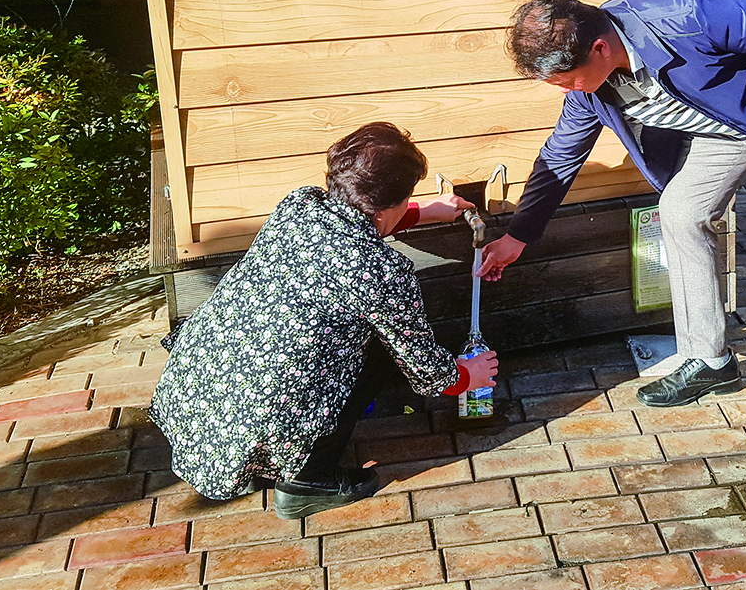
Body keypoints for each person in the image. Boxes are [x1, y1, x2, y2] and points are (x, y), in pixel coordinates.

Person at [478, 0, 746, 463]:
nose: (568, 91)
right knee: (679, 212)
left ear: (598, 48)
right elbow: (560, 156)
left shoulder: (694, 8)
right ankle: (708, 358)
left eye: (567, 80)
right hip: (725, 133)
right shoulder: (591, 87)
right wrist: (518, 237)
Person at [150, 122, 499, 518]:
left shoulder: (300, 205)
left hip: (203, 391)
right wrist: (470, 376)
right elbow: (426, 370)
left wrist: (423, 212)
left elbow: (352, 224)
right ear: (388, 205)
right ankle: (306, 482)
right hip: (265, 406)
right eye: (408, 197)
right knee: (383, 352)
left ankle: (256, 458)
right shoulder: (382, 272)